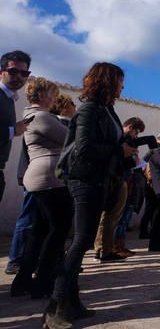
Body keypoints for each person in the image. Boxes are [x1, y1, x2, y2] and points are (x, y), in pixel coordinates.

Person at [44, 62, 137, 329]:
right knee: (81, 241)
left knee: (82, 241)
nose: (122, 86)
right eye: (119, 81)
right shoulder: (89, 109)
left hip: (98, 180)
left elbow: (108, 144)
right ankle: (54, 307)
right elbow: (84, 148)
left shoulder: (107, 110)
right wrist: (119, 151)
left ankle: (72, 303)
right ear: (107, 82)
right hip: (84, 180)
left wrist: (125, 151)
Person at [10, 78, 71, 299]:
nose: (55, 98)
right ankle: (42, 283)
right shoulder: (42, 116)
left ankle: (23, 281)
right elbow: (70, 139)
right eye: (53, 94)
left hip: (41, 178)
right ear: (44, 95)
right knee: (57, 231)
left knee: (39, 232)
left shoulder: (31, 115)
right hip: (50, 179)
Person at [93, 117, 147, 261]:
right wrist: (131, 157)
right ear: (129, 127)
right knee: (110, 216)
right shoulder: (119, 140)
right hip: (115, 179)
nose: (136, 136)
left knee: (112, 216)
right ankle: (104, 249)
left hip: (119, 178)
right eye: (136, 132)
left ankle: (104, 248)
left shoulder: (121, 139)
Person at [1, 50, 32, 275]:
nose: (19, 76)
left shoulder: (9, 100)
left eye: (24, 72)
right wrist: (15, 129)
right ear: (2, 71)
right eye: (13, 71)